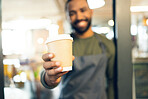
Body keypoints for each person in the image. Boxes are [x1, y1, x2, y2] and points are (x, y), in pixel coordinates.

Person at [40, 0, 115, 99]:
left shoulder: (107, 44)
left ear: (91, 12)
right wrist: (50, 79)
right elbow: (47, 76)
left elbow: (112, 80)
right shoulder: (62, 44)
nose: (79, 17)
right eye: (72, 13)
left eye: (82, 10)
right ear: (67, 17)